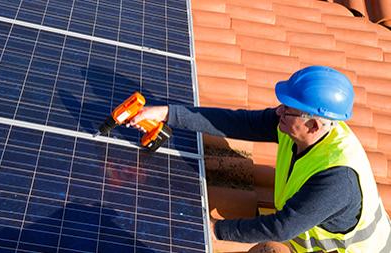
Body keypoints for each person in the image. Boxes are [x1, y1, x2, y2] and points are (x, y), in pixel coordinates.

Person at [129, 66, 391, 252]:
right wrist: (168, 113)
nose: (278, 111)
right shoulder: (298, 125)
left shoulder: (337, 180)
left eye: (288, 109)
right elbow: (240, 122)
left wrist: (216, 229)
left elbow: (281, 228)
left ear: (313, 125)